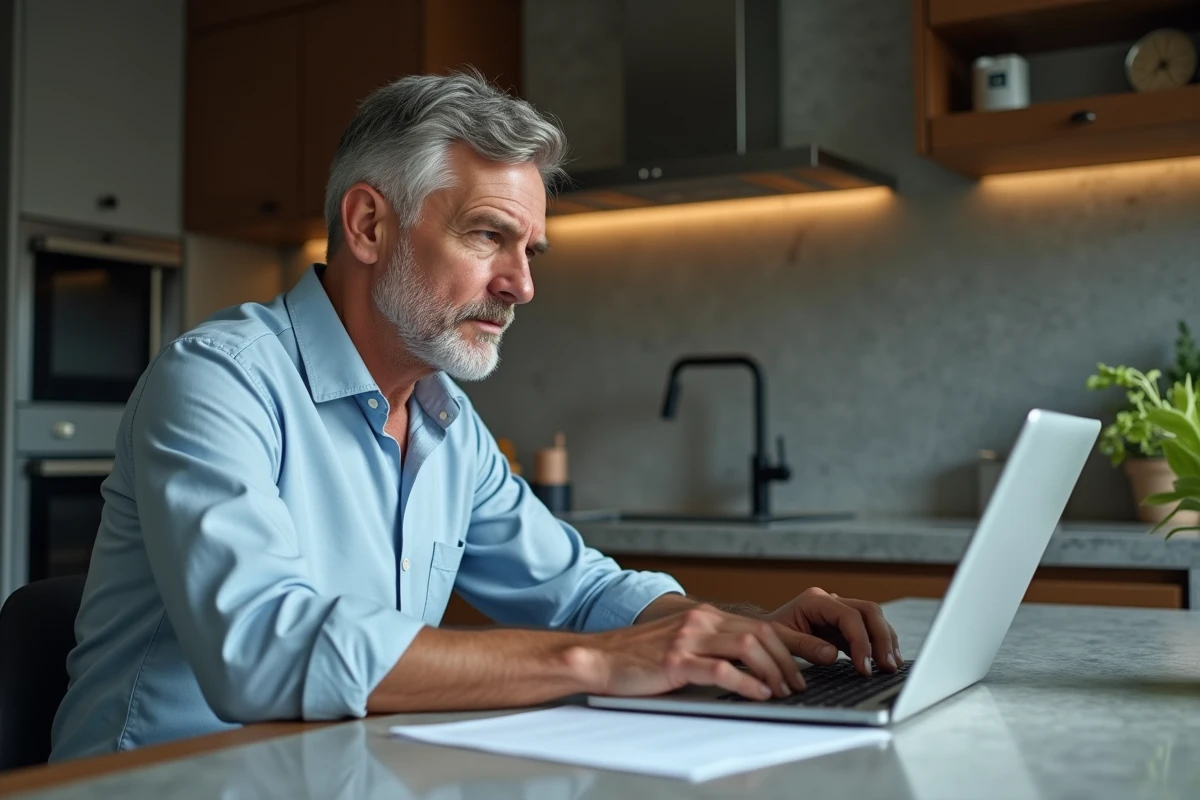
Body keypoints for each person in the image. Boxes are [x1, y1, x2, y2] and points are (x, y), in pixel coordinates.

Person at [50, 71, 901, 761]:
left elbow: (584, 591)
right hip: (157, 787)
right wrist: (602, 662)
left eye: (529, 251)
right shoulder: (217, 382)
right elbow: (263, 653)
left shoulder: (445, 422)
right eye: (489, 236)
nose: (521, 286)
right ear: (370, 224)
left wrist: (742, 633)